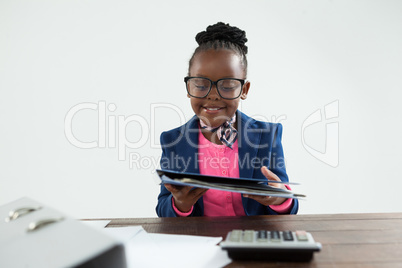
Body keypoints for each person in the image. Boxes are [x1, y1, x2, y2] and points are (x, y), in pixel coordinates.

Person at [156, 22, 299, 217]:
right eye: (200, 84)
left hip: (251, 242)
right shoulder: (173, 141)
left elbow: (287, 202)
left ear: (244, 90)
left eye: (227, 85)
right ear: (188, 87)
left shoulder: (266, 136)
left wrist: (280, 200)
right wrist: (180, 204)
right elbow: (163, 209)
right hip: (200, 241)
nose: (213, 95)